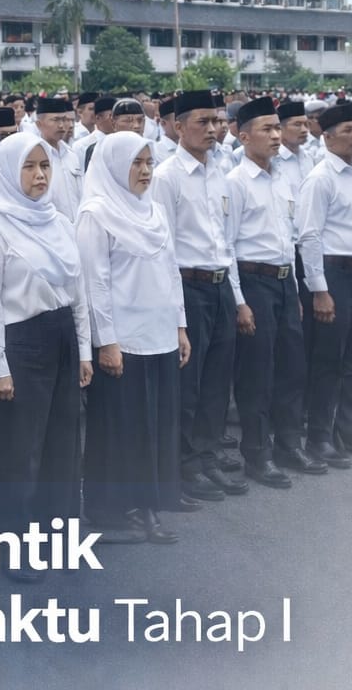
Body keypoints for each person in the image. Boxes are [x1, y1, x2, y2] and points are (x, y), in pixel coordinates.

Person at [0, 133, 92, 574]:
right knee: (18, 449)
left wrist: (84, 350)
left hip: (61, 337)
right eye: (29, 166)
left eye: (45, 166)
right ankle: (8, 544)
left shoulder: (58, 220)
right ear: (7, 171)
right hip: (19, 343)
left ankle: (54, 537)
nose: (40, 175)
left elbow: (77, 291)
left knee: (61, 443)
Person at [78, 131, 190, 544]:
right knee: (120, 429)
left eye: (149, 162)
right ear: (113, 166)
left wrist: (180, 326)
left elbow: (171, 271)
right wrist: (106, 341)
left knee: (155, 426)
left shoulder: (154, 210)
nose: (145, 171)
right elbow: (94, 283)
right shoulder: (95, 214)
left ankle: (148, 506)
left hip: (160, 333)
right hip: (123, 341)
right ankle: (107, 510)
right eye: (136, 163)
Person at [151, 91, 247, 503]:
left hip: (219, 284)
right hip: (187, 287)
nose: (213, 129)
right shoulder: (166, 177)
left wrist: (237, 297)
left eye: (216, 121)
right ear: (178, 126)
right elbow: (165, 251)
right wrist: (177, 318)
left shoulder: (220, 171)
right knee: (187, 386)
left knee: (216, 382)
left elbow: (227, 241)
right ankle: (184, 465)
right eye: (202, 122)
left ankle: (207, 457)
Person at [226, 97, 314, 487]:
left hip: (283, 280)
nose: (276, 136)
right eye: (267, 129)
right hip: (253, 281)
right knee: (257, 373)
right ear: (244, 137)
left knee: (292, 367)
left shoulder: (282, 177)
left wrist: (293, 287)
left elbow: (288, 238)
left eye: (278, 128)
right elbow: (227, 245)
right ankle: (257, 453)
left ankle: (289, 444)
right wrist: (240, 301)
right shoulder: (235, 182)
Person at [296, 103, 352, 466]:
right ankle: (319, 437)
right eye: (348, 130)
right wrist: (319, 290)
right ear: (327, 137)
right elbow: (309, 236)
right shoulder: (321, 178)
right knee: (328, 361)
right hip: (335, 275)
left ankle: (347, 429)